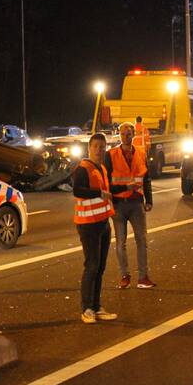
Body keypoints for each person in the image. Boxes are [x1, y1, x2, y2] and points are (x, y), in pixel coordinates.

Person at [70, 133, 117, 324]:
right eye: (96, 146)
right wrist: (99, 193)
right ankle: (87, 308)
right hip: (88, 224)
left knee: (100, 267)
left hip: (103, 222)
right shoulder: (83, 168)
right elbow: (77, 190)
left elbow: (107, 193)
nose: (99, 150)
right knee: (91, 266)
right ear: (89, 148)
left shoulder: (102, 168)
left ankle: (97, 307)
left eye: (102, 146)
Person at [106, 122, 156, 289]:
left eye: (129, 134)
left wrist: (148, 200)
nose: (126, 137)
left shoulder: (140, 153)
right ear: (119, 135)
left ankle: (143, 277)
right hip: (119, 204)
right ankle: (124, 275)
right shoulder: (111, 155)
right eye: (123, 134)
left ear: (133, 134)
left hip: (136, 203)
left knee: (142, 240)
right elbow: (107, 183)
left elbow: (146, 178)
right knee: (121, 242)